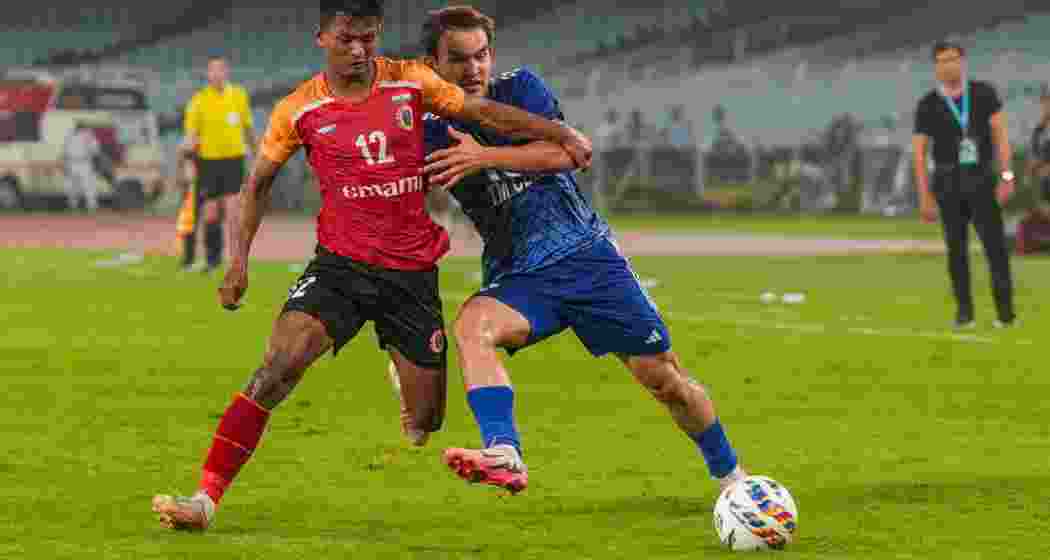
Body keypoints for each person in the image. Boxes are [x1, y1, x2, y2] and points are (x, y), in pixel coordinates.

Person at [151, 0, 592, 531]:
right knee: (277, 368)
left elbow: (482, 113)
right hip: (339, 267)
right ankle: (204, 499)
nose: (358, 50)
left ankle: (402, 375)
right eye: (346, 39)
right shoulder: (299, 109)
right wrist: (238, 262)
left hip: (411, 275)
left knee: (426, 422)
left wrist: (558, 132)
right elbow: (257, 184)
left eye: (368, 38)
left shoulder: (411, 81)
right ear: (322, 37)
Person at [413, 5, 745, 495]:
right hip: (520, 274)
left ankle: (733, 478)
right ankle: (504, 452)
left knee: (664, 380)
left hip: (587, 258)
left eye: (481, 55)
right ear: (433, 64)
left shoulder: (521, 89)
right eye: (459, 59)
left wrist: (483, 156)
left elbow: (568, 154)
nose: (474, 68)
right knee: (470, 328)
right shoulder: (427, 128)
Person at [912, 41, 1016, 329]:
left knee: (996, 248)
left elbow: (1001, 136)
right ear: (936, 67)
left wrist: (1007, 176)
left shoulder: (983, 93)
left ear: (963, 62)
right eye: (943, 61)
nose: (949, 66)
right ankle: (964, 314)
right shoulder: (928, 104)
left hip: (981, 178)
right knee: (956, 250)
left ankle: (1005, 314)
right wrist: (924, 195)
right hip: (947, 181)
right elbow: (919, 153)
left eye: (954, 59)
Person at [180, 55, 255, 273]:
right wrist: (188, 160)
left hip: (233, 160)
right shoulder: (199, 100)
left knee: (232, 211)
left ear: (226, 72)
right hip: (208, 162)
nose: (216, 74)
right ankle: (212, 260)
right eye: (212, 70)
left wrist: (257, 153)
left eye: (220, 70)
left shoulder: (239, 95)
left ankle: (235, 260)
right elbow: (191, 134)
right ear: (208, 74)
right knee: (210, 213)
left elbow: (248, 128)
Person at [1016, 91, 1050, 254]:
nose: (1046, 109)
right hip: (1043, 187)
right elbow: (1035, 158)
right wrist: (1032, 170)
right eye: (1045, 105)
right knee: (1033, 218)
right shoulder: (1039, 132)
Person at [61, 122, 102, 211]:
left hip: (82, 162)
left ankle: (90, 206)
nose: (79, 129)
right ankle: (75, 206)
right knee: (74, 186)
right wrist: (65, 164)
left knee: (86, 185)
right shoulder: (70, 135)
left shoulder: (87, 135)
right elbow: (65, 151)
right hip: (75, 162)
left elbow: (96, 150)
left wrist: (94, 160)